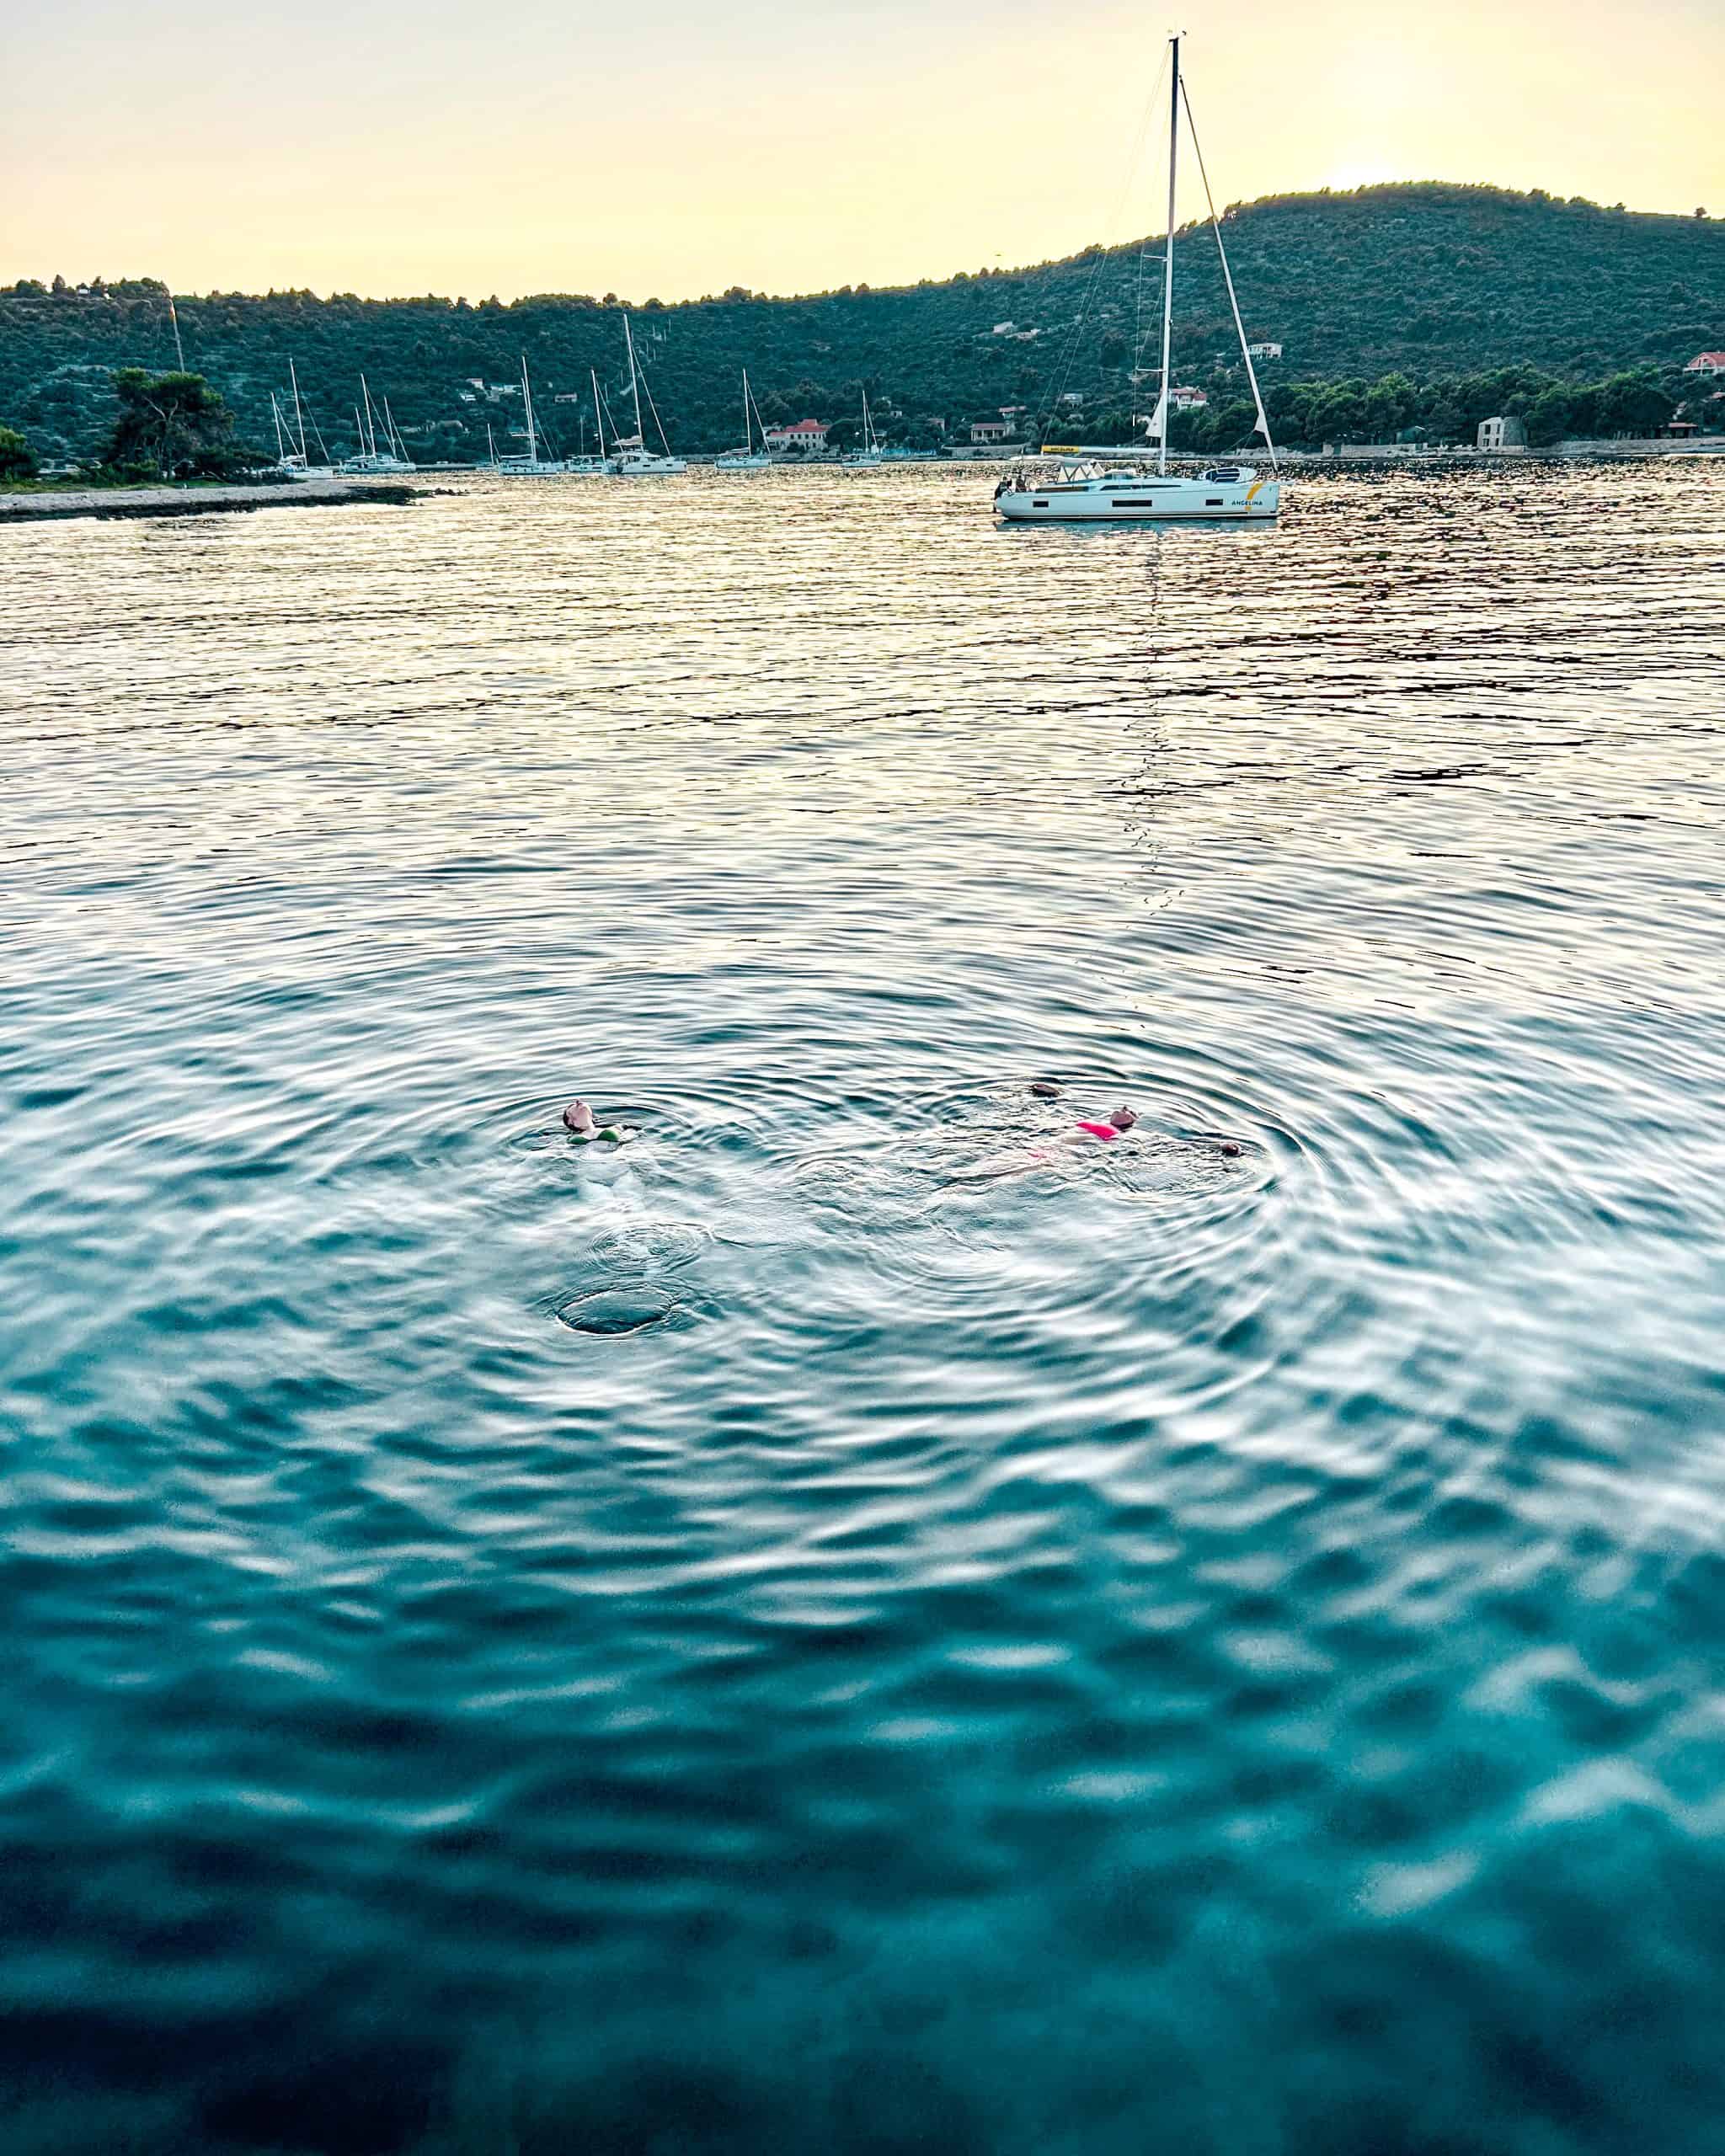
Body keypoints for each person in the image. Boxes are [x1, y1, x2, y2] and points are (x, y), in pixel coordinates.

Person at [563, 1099, 634, 1145]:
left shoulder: (618, 1127)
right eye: (572, 1106)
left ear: (591, 1114)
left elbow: (636, 1135)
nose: (578, 1101)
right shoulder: (570, 1138)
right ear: (570, 1122)